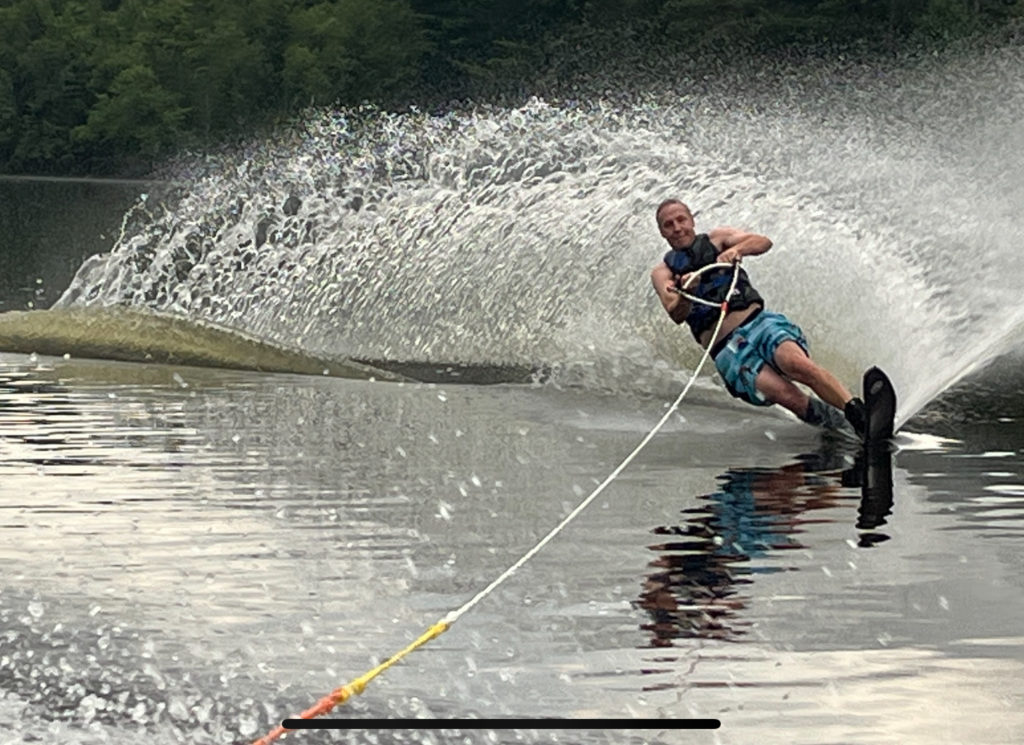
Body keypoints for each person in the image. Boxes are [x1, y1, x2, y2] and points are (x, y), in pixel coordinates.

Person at [650, 198, 866, 435]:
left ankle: (857, 412)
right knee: (786, 394)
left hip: (760, 324)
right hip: (727, 350)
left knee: (797, 365)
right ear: (662, 232)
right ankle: (840, 427)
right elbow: (675, 313)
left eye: (681, 219)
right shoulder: (663, 273)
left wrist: (736, 250)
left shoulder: (718, 239)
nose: (677, 227)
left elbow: (763, 242)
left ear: (691, 219)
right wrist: (687, 293)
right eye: (668, 224)